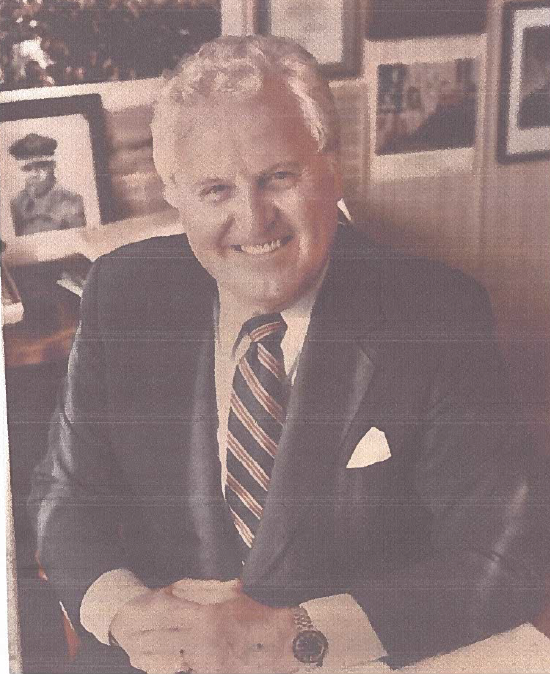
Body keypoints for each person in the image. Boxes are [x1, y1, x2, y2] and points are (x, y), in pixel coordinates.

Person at [29, 36, 550, 674]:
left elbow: (506, 555)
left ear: (332, 169)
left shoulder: (436, 314)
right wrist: (125, 612)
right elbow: (65, 494)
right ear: (175, 193)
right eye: (215, 190)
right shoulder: (123, 293)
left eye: (278, 177)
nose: (254, 221)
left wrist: (295, 636)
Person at [9, 133, 86, 236]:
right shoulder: (17, 203)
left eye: (41, 166)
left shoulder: (72, 201)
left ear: (52, 166)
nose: (34, 173)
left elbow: (79, 240)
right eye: (27, 168)